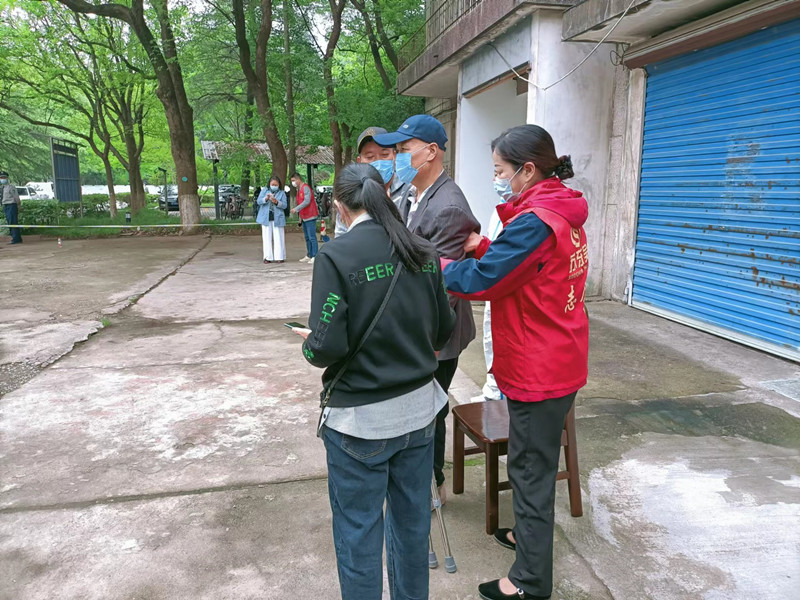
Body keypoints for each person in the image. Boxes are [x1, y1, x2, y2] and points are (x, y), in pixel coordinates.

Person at [441, 124, 589, 600]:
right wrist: (486, 248)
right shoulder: (560, 208)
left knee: (529, 470)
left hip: (539, 366)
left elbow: (485, 280)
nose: (497, 180)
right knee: (533, 461)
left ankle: (529, 581)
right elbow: (532, 269)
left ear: (528, 169)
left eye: (500, 170)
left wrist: (435, 267)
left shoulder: (533, 221)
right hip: (559, 353)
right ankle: (527, 539)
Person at [295, 162, 456, 600]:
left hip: (359, 425)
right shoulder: (422, 250)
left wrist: (309, 345)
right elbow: (443, 331)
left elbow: (325, 348)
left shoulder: (335, 256)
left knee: (359, 539)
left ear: (339, 206)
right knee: (412, 530)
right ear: (386, 193)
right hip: (419, 417)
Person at [374, 114, 480, 504]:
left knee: (430, 410)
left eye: (404, 150)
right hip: (411, 325)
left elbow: (441, 285)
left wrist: (423, 341)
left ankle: (433, 485)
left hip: (435, 333)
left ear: (431, 151)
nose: (397, 158)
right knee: (415, 408)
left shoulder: (448, 206)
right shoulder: (409, 193)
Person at [333, 127, 415, 238]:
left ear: (395, 156)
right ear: (360, 161)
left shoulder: (410, 191)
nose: (378, 162)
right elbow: (341, 238)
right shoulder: (349, 193)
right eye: (369, 157)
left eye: (384, 155)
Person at [255, 176, 288, 264]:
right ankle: (267, 257)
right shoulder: (264, 191)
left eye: (276, 185)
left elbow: (285, 205)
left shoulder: (282, 193)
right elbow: (258, 201)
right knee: (266, 238)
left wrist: (277, 202)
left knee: (279, 238)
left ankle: (279, 257)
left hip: (278, 217)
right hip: (265, 217)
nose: (274, 186)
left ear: (279, 185)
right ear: (269, 184)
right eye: (272, 184)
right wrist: (266, 199)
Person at [289, 172, 318, 264]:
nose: (293, 183)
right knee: (307, 237)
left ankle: (315, 255)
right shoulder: (298, 189)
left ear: (298, 179)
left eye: (293, 180)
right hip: (304, 216)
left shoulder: (305, 188)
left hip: (310, 215)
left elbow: (307, 201)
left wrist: (296, 209)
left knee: (312, 237)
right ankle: (309, 255)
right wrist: (300, 218)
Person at [1, 171, 22, 245]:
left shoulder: (11, 187)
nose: (2, 179)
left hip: (11, 205)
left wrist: (19, 205)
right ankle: (17, 238)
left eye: (4, 177)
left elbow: (16, 197)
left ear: (7, 178)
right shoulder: (2, 188)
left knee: (12, 222)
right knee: (10, 222)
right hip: (5, 206)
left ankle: (15, 238)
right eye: (1, 178)